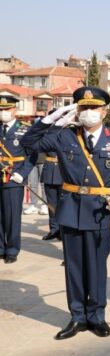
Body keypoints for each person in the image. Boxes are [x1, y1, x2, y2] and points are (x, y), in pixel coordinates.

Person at [21, 87, 110, 339]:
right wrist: (49, 119)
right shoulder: (64, 136)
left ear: (105, 111)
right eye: (83, 108)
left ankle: (97, 316)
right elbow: (27, 143)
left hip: (99, 211)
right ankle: (77, 317)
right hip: (71, 209)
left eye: (94, 108)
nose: (89, 113)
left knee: (96, 266)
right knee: (73, 266)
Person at [0, 96, 36, 263]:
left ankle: (12, 250)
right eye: (1, 110)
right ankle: (0, 248)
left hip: (13, 178)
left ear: (14, 110)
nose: (3, 113)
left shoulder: (25, 129)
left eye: (6, 109)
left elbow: (32, 155)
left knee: (12, 215)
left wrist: (22, 173)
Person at [40, 109, 63, 241]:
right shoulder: (46, 132)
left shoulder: (68, 131)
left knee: (64, 204)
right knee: (51, 204)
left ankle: (63, 230)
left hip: (63, 170)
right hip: (50, 169)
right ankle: (54, 229)